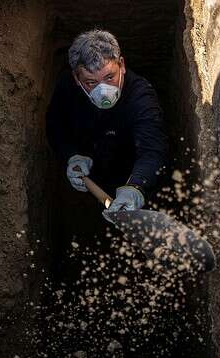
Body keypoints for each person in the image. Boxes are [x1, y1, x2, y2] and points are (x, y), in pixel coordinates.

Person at [46, 29, 168, 220]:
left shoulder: (141, 99)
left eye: (109, 77)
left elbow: (152, 150)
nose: (104, 91)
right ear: (77, 79)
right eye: (91, 82)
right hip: (93, 167)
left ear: (122, 65)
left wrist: (136, 186)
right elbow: (56, 125)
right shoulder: (67, 89)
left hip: (133, 168)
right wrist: (71, 155)